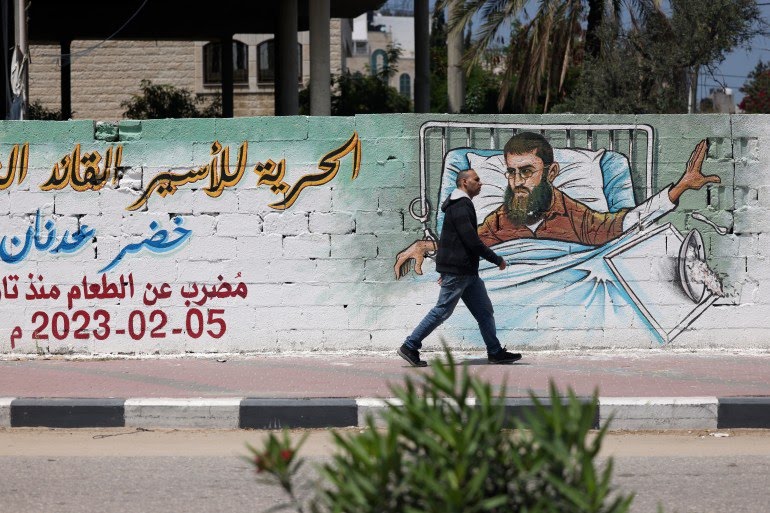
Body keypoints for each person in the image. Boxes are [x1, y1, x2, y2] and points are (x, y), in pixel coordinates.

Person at [394, 133, 719, 278]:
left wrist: (679, 188)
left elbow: (625, 223)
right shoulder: (501, 221)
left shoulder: (575, 216)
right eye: (511, 173)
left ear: (550, 173)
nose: (518, 181)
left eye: (527, 172)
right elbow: (468, 244)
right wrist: (426, 245)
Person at [396, 168, 522, 367]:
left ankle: (495, 352)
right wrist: (496, 259)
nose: (480, 183)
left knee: (484, 312)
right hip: (460, 272)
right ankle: (410, 346)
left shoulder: (459, 205)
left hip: (467, 273)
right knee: (442, 311)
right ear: (464, 182)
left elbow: (449, 240)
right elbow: (471, 240)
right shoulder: (461, 205)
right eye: (476, 179)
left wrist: (445, 268)